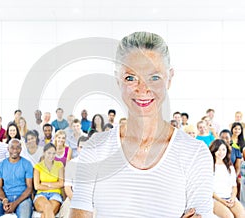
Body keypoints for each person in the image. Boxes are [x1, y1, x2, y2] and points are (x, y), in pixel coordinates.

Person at [69, 31, 214, 217]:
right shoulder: (96, 148)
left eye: (154, 77)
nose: (143, 88)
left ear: (169, 78)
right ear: (117, 80)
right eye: (131, 77)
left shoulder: (194, 153)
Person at [0, 139, 33, 218]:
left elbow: (29, 188)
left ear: (21, 149)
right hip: (5, 197)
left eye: (17, 147)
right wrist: (4, 200)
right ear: (8, 149)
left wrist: (15, 203)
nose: (15, 150)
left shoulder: (27, 164)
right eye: (12, 147)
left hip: (22, 199)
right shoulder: (1, 165)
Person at [209, 139, 245, 217]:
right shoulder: (209, 167)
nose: (221, 152)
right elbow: (209, 189)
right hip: (215, 199)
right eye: (218, 150)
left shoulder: (230, 167)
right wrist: (221, 200)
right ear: (213, 150)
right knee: (229, 216)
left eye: (223, 149)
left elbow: (234, 186)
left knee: (242, 215)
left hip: (230, 197)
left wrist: (232, 198)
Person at [60, 136, 89, 218]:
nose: (83, 150)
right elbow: (67, 188)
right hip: (73, 197)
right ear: (77, 148)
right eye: (81, 147)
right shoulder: (72, 164)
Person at [33, 143, 64, 218]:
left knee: (45, 214)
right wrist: (54, 185)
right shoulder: (38, 166)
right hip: (41, 194)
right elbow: (37, 186)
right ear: (44, 152)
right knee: (47, 206)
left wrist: (45, 184)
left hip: (55, 195)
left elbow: (61, 183)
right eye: (49, 153)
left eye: (53, 153)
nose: (51, 156)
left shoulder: (59, 165)